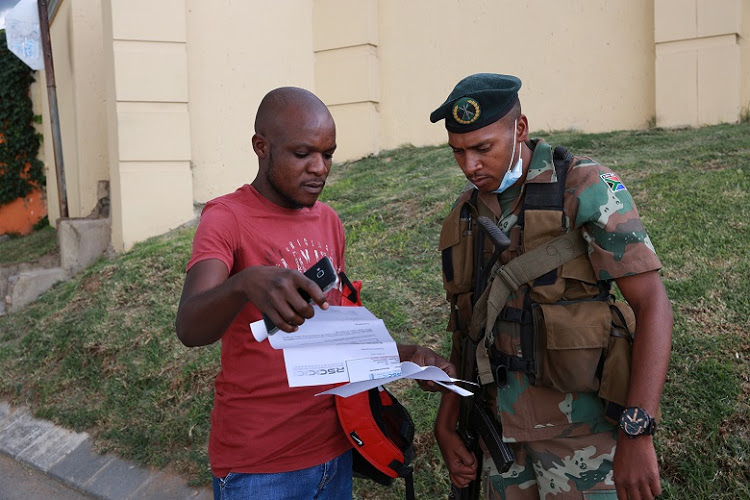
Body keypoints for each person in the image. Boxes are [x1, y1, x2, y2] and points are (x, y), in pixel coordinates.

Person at [175, 86, 452, 500]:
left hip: (334, 450)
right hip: (260, 468)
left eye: (328, 155)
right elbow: (190, 326)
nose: (319, 168)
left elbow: (336, 332)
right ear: (261, 147)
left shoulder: (328, 222)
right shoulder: (226, 219)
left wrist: (405, 355)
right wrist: (244, 283)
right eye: (303, 154)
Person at [429, 73, 673, 500]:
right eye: (458, 152)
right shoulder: (464, 214)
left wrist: (638, 430)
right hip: (500, 443)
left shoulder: (585, 187)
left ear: (520, 129)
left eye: (483, 148)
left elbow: (652, 303)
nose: (470, 166)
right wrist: (446, 422)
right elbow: (466, 329)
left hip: (584, 440)